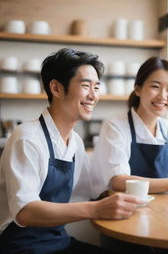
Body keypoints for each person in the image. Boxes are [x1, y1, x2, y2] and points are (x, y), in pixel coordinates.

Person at [0, 48, 143, 254]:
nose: (93, 96)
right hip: (21, 246)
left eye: (96, 87)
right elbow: (25, 211)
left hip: (58, 241)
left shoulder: (75, 141)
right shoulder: (27, 137)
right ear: (56, 89)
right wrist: (96, 209)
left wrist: (133, 200)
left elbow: (91, 190)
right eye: (85, 86)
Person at [91, 56, 168, 196]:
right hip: (116, 209)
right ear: (138, 89)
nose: (162, 96)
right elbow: (118, 181)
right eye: (155, 86)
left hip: (159, 208)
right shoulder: (115, 127)